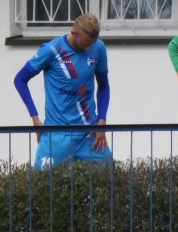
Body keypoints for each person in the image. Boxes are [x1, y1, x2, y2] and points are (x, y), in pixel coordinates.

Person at [13, 12, 112, 169]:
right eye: (85, 44)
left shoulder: (98, 48)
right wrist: (34, 117)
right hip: (57, 134)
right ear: (74, 32)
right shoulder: (51, 50)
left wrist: (102, 121)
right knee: (44, 187)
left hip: (89, 133)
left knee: (111, 182)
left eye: (91, 44)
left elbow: (104, 86)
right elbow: (20, 80)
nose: (88, 48)